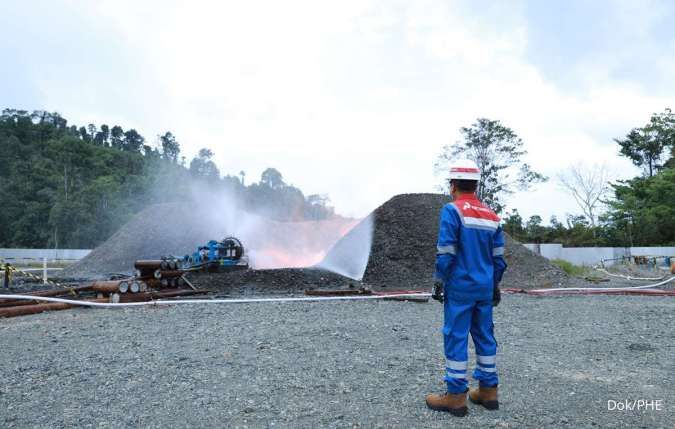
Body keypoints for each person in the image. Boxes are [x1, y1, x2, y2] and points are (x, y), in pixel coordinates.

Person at [425, 159, 507, 417]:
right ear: (476, 185)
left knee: (456, 336)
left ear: (453, 186)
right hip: (484, 288)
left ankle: (456, 396)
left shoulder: (453, 211)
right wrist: (494, 284)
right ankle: (488, 391)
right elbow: (499, 260)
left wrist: (440, 279)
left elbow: (447, 251)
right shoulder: (492, 216)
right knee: (485, 336)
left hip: (460, 287)